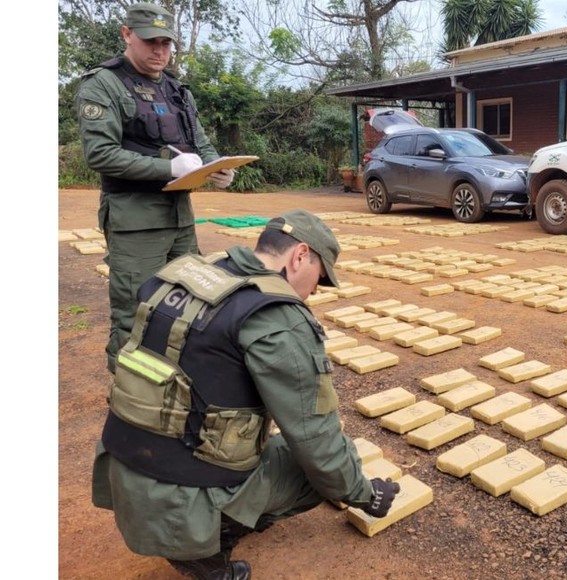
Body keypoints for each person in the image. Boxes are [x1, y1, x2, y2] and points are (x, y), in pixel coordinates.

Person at [91, 209, 400, 579]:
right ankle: (205, 548)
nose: (315, 290)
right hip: (180, 498)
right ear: (300, 255)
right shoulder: (277, 319)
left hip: (124, 466)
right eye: (319, 277)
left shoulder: (187, 272)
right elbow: (314, 438)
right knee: (318, 467)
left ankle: (196, 529)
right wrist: (365, 493)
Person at [76, 2, 236, 373]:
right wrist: (168, 167)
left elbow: (200, 141)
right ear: (127, 34)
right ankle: (128, 405)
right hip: (136, 223)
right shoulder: (104, 85)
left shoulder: (178, 90)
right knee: (136, 312)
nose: (160, 51)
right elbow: (100, 154)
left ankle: (176, 390)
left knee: (191, 304)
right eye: (151, 42)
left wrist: (218, 169)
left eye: (166, 43)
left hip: (180, 220)